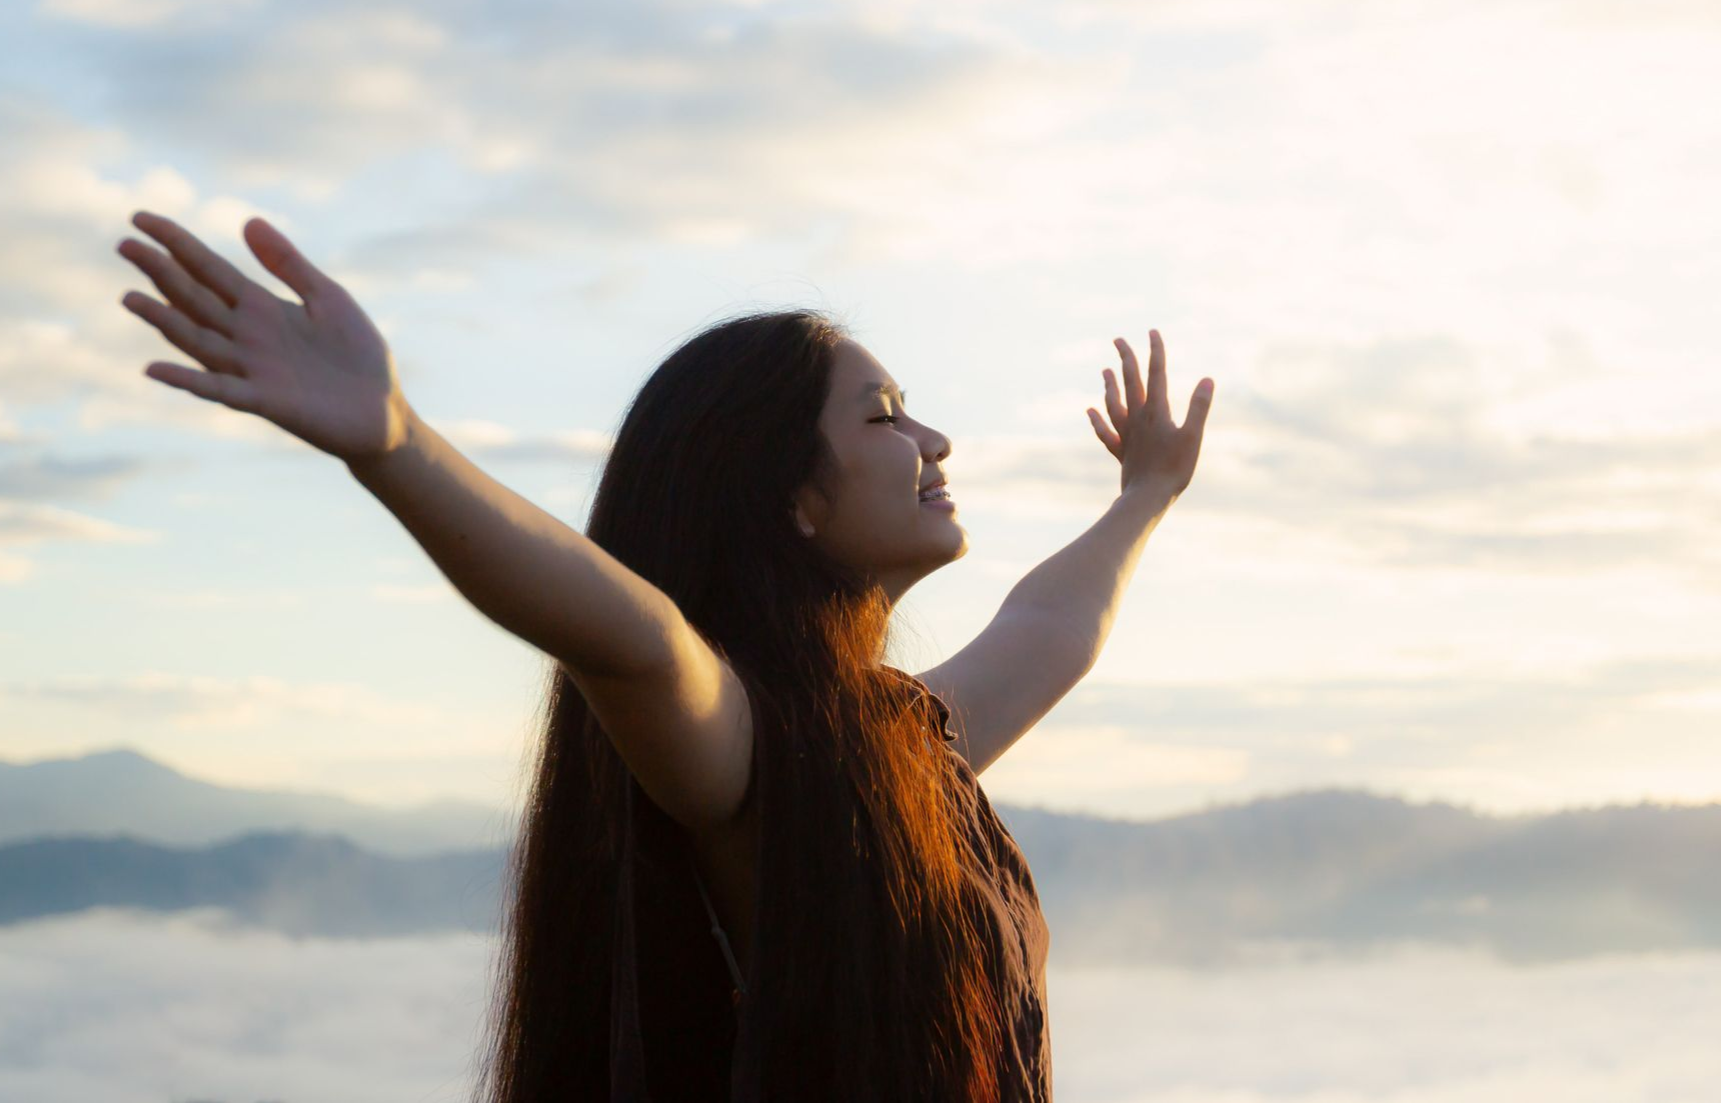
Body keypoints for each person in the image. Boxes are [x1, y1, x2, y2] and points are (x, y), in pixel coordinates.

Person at [114, 210, 1215, 1102]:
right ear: (788, 496)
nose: (932, 444)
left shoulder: (899, 747)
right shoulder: (745, 753)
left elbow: (1047, 630)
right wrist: (398, 445)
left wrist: (1146, 497)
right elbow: (632, 640)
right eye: (884, 418)